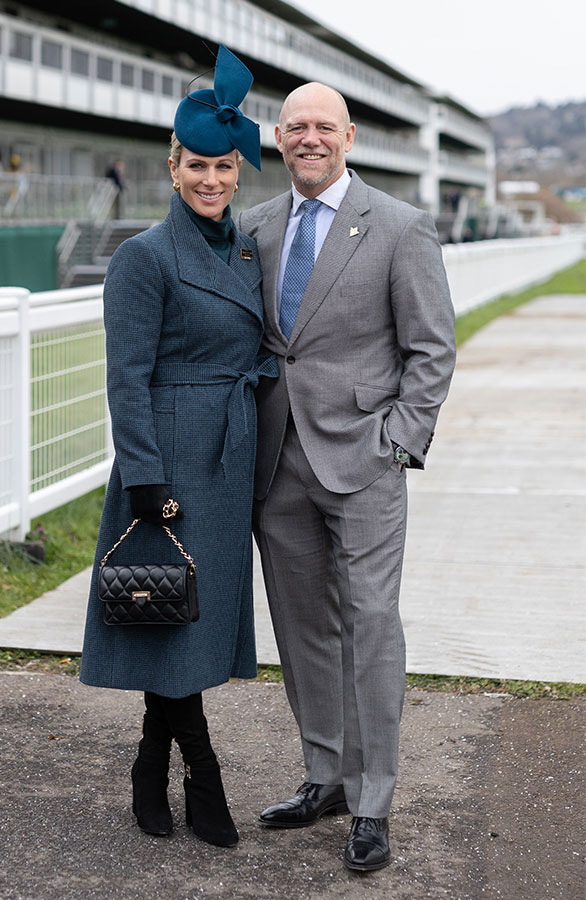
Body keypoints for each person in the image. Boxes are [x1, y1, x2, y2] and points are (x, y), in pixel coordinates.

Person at [238, 83, 456, 871]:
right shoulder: (254, 228)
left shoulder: (400, 227)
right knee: (301, 631)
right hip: (278, 460)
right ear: (278, 137)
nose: (309, 137)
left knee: (370, 624)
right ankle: (324, 776)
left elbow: (432, 349)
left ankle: (371, 802)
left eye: (323, 126)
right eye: (295, 126)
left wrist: (400, 443)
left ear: (350, 136)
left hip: (365, 460)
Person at [80, 45, 276, 849]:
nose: (213, 180)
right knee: (169, 614)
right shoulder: (143, 256)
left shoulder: (243, 249)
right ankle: (203, 772)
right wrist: (143, 479)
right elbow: (125, 377)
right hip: (168, 463)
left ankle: (149, 759)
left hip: (228, 458)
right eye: (198, 166)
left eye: (226, 167)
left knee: (187, 619)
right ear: (172, 166)